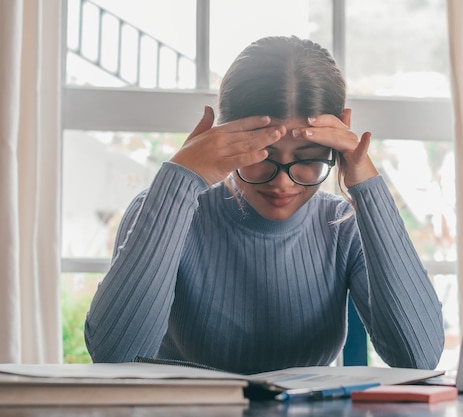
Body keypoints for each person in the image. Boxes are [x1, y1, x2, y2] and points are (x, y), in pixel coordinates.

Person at [84, 35, 444, 374]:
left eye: (309, 157)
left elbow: (418, 357)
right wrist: (179, 179)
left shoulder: (343, 226)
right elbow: (116, 359)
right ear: (223, 139)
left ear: (336, 143)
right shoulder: (162, 208)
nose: (282, 181)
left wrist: (366, 184)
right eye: (261, 153)